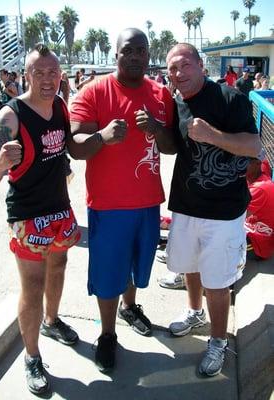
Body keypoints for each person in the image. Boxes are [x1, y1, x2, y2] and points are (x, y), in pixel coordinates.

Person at [68, 28, 173, 373]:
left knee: (135, 267)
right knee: (109, 273)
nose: (135, 56)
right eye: (128, 50)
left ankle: (130, 307)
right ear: (116, 54)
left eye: (141, 50)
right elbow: (75, 146)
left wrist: (158, 129)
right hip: (109, 205)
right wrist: (102, 136)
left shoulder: (160, 93)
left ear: (148, 55)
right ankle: (108, 335)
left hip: (147, 202)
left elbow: (173, 145)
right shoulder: (93, 91)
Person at [0, 44, 81, 395]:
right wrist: (0, 162)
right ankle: (32, 355)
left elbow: (66, 150)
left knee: (59, 267)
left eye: (53, 72)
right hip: (27, 214)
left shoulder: (60, 107)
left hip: (59, 208)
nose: (47, 78)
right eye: (39, 72)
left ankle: (52, 322)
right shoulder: (11, 115)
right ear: (26, 74)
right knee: (32, 285)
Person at [159, 43, 262, 377]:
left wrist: (212, 136)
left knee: (217, 282)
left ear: (201, 65)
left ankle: (218, 340)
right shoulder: (177, 104)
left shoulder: (231, 98)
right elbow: (173, 145)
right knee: (190, 268)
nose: (179, 73)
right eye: (172, 68)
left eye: (185, 65)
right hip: (187, 206)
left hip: (224, 211)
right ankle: (194, 312)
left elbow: (254, 146)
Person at [245, 159, 274, 260]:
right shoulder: (258, 176)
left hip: (258, 242)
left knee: (220, 234)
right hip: (252, 227)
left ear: (257, 164)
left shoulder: (259, 188)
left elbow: (235, 217)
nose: (239, 164)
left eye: (244, 160)